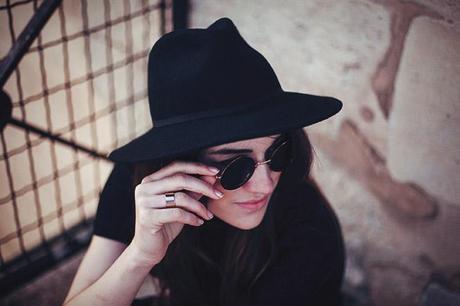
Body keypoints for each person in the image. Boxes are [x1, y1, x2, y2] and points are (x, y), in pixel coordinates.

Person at [63, 17, 345, 306]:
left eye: (278, 154)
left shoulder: (306, 229)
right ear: (178, 164)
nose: (264, 185)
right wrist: (139, 257)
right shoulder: (143, 186)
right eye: (236, 168)